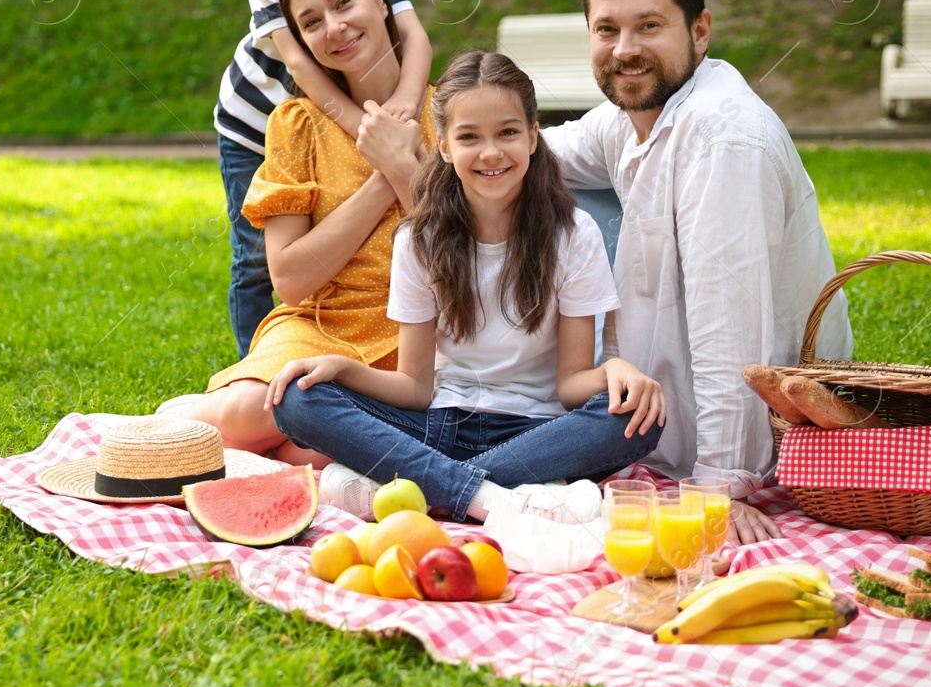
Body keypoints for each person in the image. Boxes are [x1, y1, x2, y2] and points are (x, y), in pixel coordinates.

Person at [542, 0, 853, 544]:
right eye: (607, 30)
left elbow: (731, 325)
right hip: (663, 414)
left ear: (700, 30)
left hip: (771, 436)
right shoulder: (636, 117)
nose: (625, 50)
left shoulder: (723, 139)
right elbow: (539, 153)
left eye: (649, 26)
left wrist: (719, 486)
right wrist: (450, 140)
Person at [266, 51, 666, 522]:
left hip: (536, 435)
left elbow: (572, 385)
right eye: (469, 137)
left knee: (638, 419)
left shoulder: (573, 235)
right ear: (445, 147)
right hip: (437, 425)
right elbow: (415, 388)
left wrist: (616, 371)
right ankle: (493, 497)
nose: (491, 152)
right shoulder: (419, 239)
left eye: (508, 132)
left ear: (534, 136)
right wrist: (343, 369)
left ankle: (429, 487)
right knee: (298, 399)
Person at [177, 0, 432, 461]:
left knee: (312, 452)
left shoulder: (454, 112)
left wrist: (405, 166)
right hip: (321, 323)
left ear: (381, 2)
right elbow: (290, 281)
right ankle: (167, 425)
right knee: (255, 410)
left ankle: (277, 451)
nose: (334, 28)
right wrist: (386, 173)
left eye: (344, 3)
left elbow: (464, 257)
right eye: (311, 22)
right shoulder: (297, 123)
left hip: (422, 340)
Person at [213, 0, 433, 359]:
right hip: (259, 115)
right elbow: (302, 63)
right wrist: (363, 124)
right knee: (256, 256)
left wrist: (405, 107)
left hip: (331, 114)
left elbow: (413, 33)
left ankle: (354, 344)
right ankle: (256, 363)